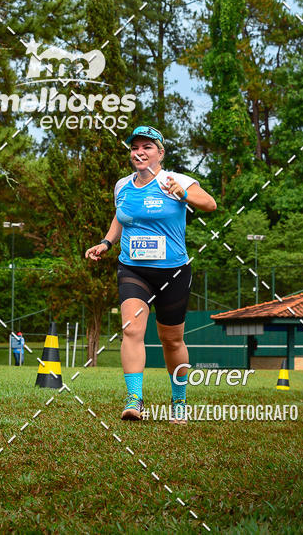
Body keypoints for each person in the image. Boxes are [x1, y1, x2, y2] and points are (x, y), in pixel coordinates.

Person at [85, 125, 217, 422]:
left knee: (171, 340)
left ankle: (179, 401)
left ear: (160, 152)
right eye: (135, 148)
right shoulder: (122, 186)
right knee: (131, 330)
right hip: (133, 269)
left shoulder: (175, 180)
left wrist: (184, 194)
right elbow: (121, 217)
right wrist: (107, 242)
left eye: (147, 147)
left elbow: (210, 204)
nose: (139, 152)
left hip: (172, 272)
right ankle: (134, 400)